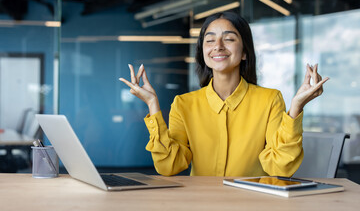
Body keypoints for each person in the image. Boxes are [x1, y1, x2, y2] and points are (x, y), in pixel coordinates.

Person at [119, 11, 329, 177]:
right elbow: (169, 166)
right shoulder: (184, 104)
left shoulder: (270, 99)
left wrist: (296, 109)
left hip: (253, 204)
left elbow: (280, 167)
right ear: (203, 51)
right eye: (209, 41)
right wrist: (153, 106)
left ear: (245, 51)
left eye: (228, 39)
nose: (217, 46)